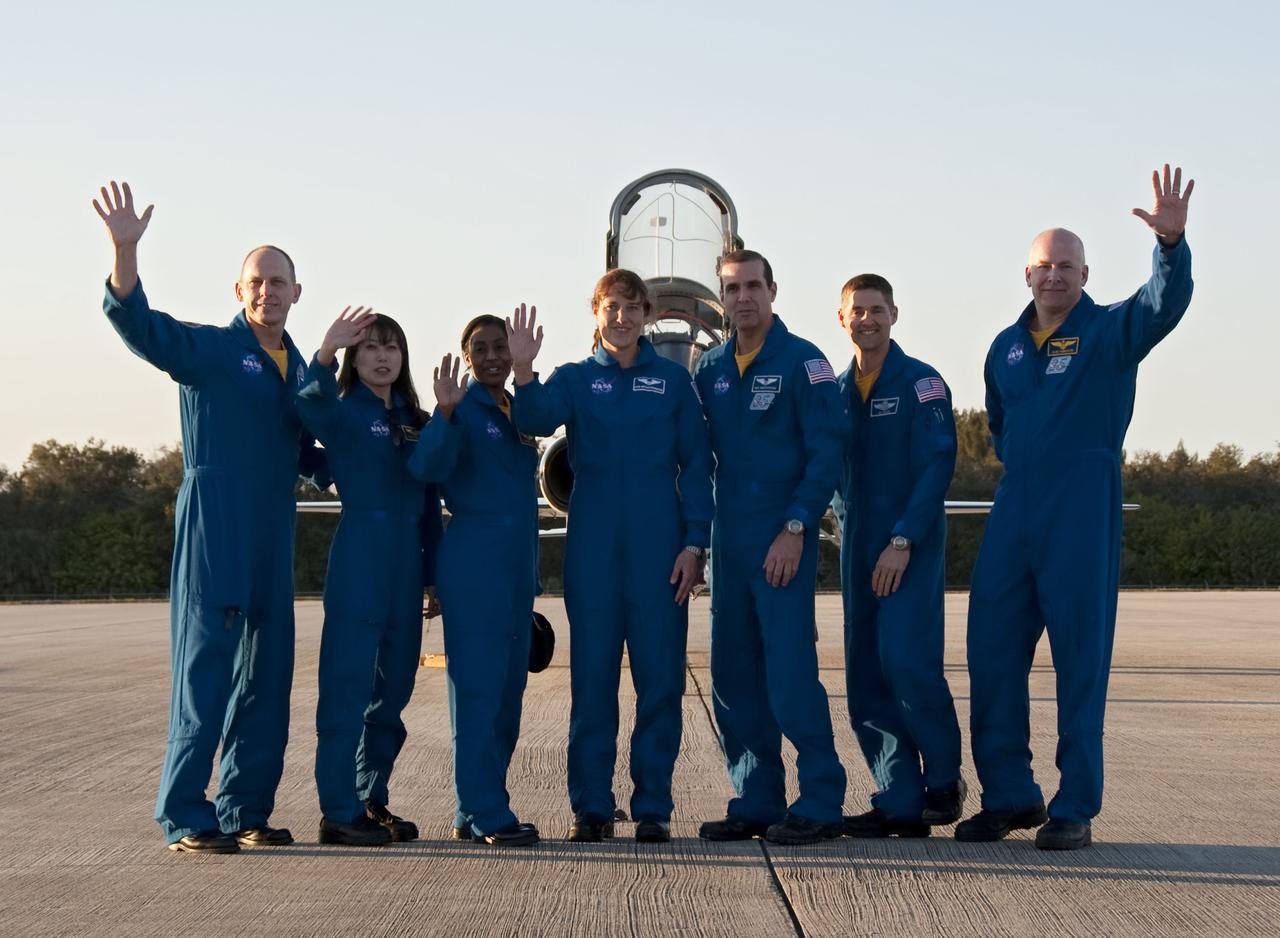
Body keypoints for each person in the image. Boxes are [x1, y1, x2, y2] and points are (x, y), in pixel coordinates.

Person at [958, 165, 1195, 850]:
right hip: (1014, 511)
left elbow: (1161, 303)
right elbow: (1000, 426)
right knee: (991, 654)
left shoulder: (1110, 333)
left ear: (1085, 275)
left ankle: (1074, 805)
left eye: (1066, 266)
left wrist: (1171, 249)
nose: (1054, 276)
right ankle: (1009, 795)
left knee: (1079, 661)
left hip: (1081, 510)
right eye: (1043, 266)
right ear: (1025, 275)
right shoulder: (1003, 348)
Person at [93, 181, 327, 853]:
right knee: (205, 674)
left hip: (271, 535)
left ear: (295, 292)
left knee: (266, 676)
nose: (268, 292)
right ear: (239, 292)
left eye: (278, 282)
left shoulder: (301, 368)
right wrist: (124, 252)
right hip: (215, 527)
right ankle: (183, 813)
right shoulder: (212, 351)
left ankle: (243, 809)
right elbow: (138, 325)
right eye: (257, 281)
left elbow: (315, 453)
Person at [508, 271, 714, 844]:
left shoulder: (674, 383)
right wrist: (524, 370)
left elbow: (697, 468)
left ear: (646, 313)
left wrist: (696, 544)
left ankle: (653, 806)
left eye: (630, 307)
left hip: (661, 553)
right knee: (592, 685)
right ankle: (592, 807)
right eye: (610, 307)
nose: (620, 317)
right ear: (594, 313)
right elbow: (531, 420)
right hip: (594, 555)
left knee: (660, 685)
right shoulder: (574, 380)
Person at [693, 249, 848, 845]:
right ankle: (756, 797)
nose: (743, 298)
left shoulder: (803, 362)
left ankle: (821, 801)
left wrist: (797, 526)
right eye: (732, 289)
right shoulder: (709, 367)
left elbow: (826, 453)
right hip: (728, 539)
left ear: (773, 291)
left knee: (788, 673)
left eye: (753, 286)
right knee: (733, 677)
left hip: (782, 536)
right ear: (722, 298)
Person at [296, 307, 443, 846]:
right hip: (360, 554)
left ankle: (370, 797)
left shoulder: (416, 420)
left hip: (407, 562)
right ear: (354, 360)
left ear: (402, 358)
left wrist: (432, 575)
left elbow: (429, 505)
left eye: (391, 347)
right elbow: (305, 406)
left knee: (393, 690)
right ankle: (337, 809)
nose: (382, 357)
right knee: (347, 687)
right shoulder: (341, 411)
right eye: (370, 348)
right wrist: (324, 353)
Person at [832, 274, 964, 839]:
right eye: (857, 310)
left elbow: (937, 465)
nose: (867, 319)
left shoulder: (922, 383)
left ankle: (943, 780)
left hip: (907, 544)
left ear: (894, 315)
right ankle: (898, 794)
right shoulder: (834, 391)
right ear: (843, 320)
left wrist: (904, 539)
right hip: (856, 539)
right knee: (864, 672)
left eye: (877, 309)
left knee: (907, 662)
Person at [408, 315, 541, 846]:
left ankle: (474, 807)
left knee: (509, 694)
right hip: (474, 565)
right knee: (479, 694)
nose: (491, 356)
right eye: (479, 348)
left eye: (499, 347)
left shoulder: (520, 411)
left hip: (514, 569)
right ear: (466, 357)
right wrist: (442, 414)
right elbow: (426, 468)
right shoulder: (461, 409)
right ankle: (487, 810)